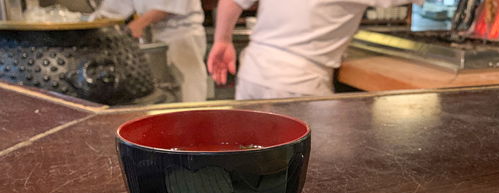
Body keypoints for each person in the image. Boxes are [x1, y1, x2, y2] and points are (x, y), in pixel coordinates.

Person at [207, 0, 420, 100]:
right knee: (318, 164)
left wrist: (222, 41)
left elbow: (232, 1)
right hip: (297, 83)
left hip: (252, 71)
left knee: (248, 156)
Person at [92, 0, 208, 102]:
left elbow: (166, 7)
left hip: (181, 34)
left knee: (187, 87)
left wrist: (138, 24)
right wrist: (95, 21)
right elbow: (114, 7)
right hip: (156, 34)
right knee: (163, 90)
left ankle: (193, 120)